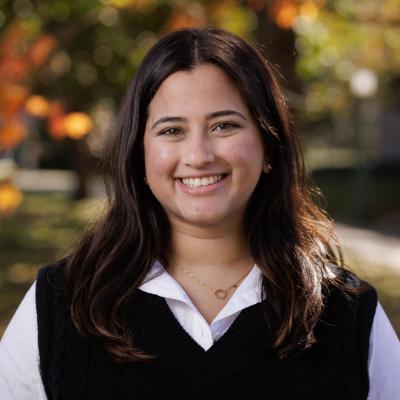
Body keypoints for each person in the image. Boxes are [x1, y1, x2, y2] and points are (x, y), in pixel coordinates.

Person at [0, 27, 399, 400]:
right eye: (171, 130)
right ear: (139, 153)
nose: (198, 156)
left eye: (224, 125)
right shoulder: (59, 304)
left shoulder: (347, 315)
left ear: (268, 146)